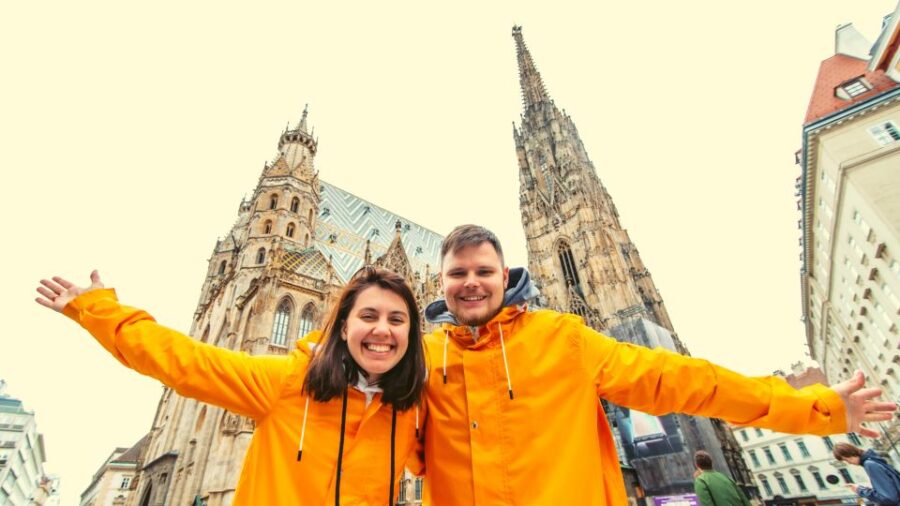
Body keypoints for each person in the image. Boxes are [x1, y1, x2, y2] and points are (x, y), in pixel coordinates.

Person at [416, 224, 896, 505]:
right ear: (440, 282)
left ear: (505, 275)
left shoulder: (561, 338)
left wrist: (812, 408)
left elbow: (685, 382)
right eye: (458, 273)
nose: (471, 282)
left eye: (483, 271)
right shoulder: (422, 358)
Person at [35, 266, 426, 505]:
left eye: (396, 319)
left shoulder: (408, 411)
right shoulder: (289, 382)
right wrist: (96, 310)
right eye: (369, 315)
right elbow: (186, 362)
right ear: (343, 326)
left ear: (412, 333)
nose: (381, 330)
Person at [834, 442, 900, 505]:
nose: (848, 463)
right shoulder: (874, 460)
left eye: (846, 459)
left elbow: (888, 498)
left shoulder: (870, 464)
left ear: (849, 454)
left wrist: (860, 490)